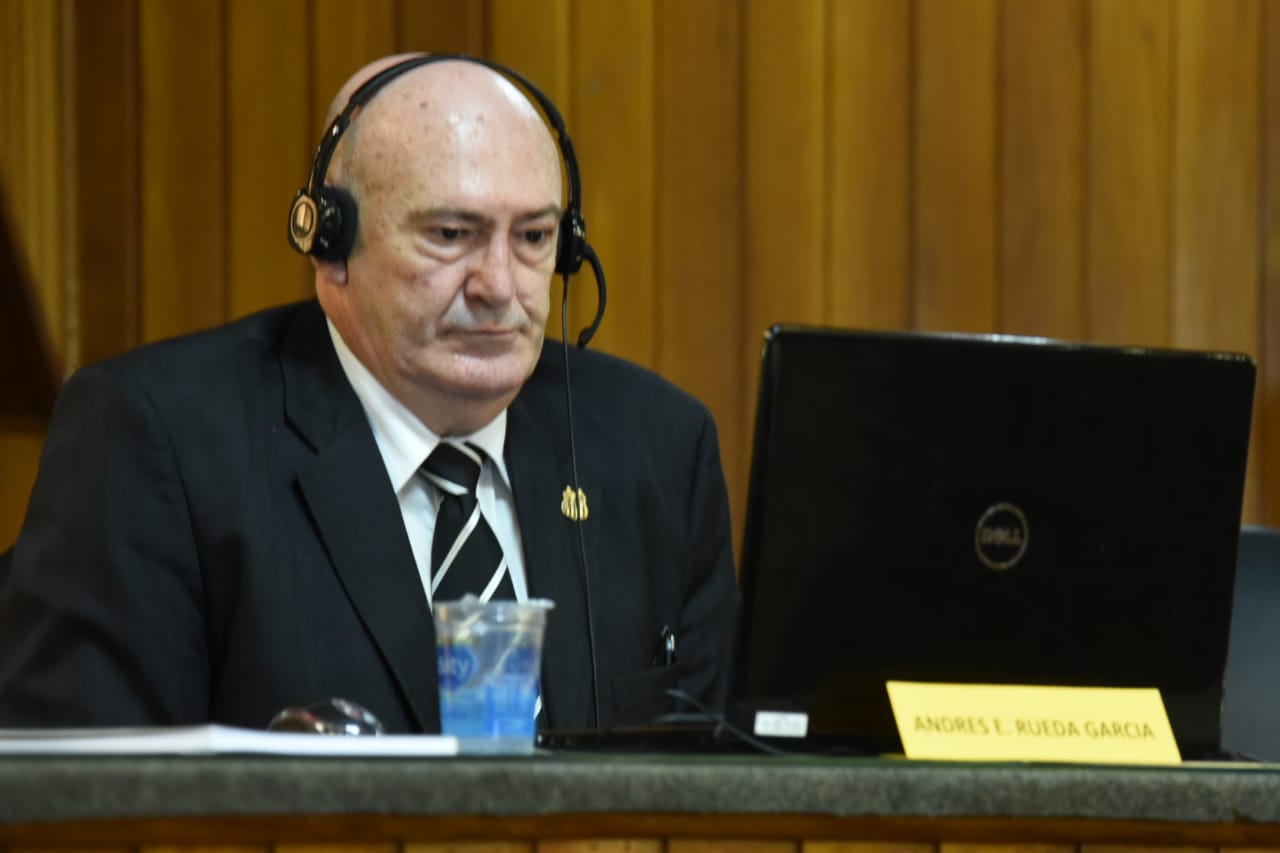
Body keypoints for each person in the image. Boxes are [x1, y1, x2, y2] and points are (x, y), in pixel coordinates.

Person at [0, 53, 737, 733]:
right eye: (451, 233)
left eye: (534, 237)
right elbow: (88, 792)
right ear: (331, 244)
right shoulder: (156, 440)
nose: (500, 286)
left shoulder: (659, 448)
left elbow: (722, 788)